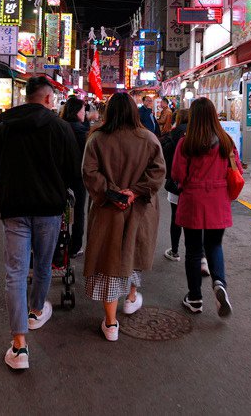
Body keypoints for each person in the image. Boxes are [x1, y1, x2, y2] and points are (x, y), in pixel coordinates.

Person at [0, 75, 81, 370]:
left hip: (14, 208)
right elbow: (71, 172)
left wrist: (10, 188)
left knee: (15, 273)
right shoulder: (61, 128)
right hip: (49, 210)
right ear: (46, 98)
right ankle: (36, 311)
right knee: (43, 264)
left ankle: (19, 347)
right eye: (52, 98)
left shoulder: (6, 126)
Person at [82, 92, 166, 341]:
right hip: (139, 211)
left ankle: (111, 323)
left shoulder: (96, 138)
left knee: (108, 264)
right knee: (132, 255)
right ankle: (131, 297)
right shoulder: (149, 139)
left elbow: (89, 172)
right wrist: (135, 191)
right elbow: (158, 172)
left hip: (108, 211)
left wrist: (112, 192)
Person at [171, 97, 243, 318]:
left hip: (193, 200)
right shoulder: (226, 141)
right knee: (214, 245)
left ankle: (195, 298)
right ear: (213, 115)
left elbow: (177, 174)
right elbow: (237, 169)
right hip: (217, 201)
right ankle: (219, 282)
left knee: (193, 251)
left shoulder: (187, 142)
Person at [61, 96, 89, 257]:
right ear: (76, 111)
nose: (84, 113)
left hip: (60, 176)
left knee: (60, 210)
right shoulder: (82, 131)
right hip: (78, 177)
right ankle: (75, 246)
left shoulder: (59, 126)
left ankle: (59, 242)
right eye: (83, 110)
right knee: (78, 211)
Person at [160, 108, 189, 262]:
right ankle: (200, 254)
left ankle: (175, 250)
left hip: (176, 181)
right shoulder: (200, 134)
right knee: (195, 219)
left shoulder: (174, 132)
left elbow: (164, 152)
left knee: (176, 216)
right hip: (195, 185)